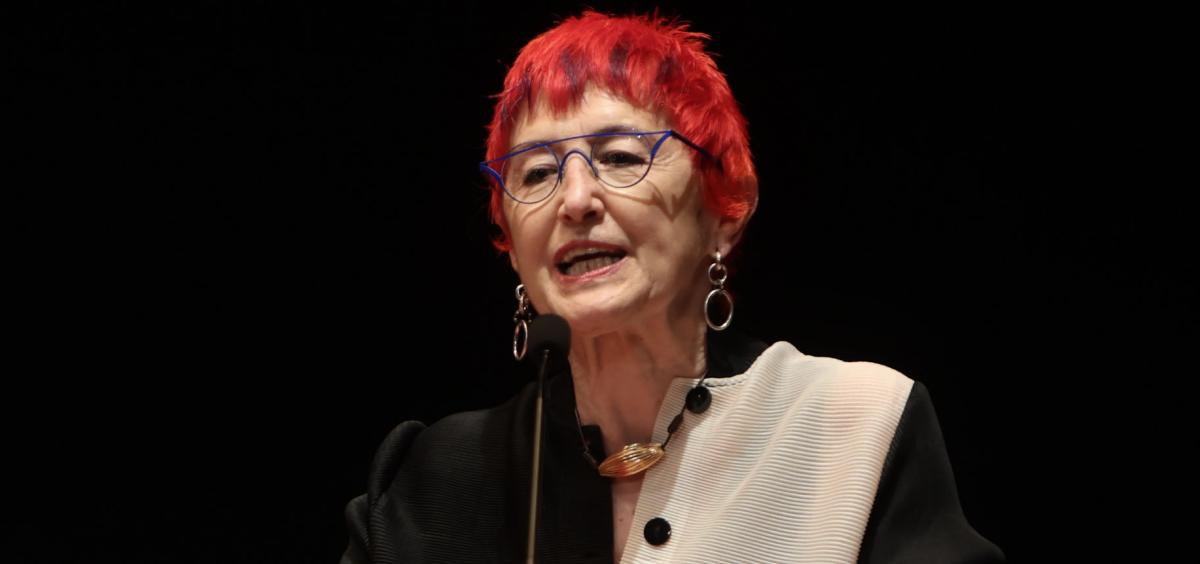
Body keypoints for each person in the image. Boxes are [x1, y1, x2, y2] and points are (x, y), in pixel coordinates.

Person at [341, 11, 1003, 564]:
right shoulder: (427, 482)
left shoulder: (852, 426)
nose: (576, 199)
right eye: (537, 173)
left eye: (621, 157)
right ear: (510, 242)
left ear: (726, 207)